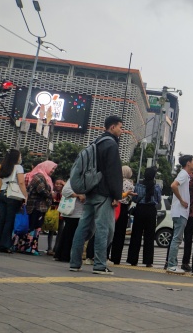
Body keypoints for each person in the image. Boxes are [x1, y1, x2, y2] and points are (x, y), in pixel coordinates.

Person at [69, 115, 124, 275]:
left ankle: (74, 262)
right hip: (103, 192)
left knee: (83, 227)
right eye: (120, 127)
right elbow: (113, 172)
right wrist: (116, 194)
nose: (122, 131)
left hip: (90, 190)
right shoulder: (111, 144)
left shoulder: (96, 142)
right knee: (103, 228)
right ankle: (99, 264)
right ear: (112, 127)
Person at [13, 160, 57, 255]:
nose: (53, 170)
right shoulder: (39, 176)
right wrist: (51, 194)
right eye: (52, 168)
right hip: (35, 206)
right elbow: (41, 190)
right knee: (33, 227)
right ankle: (28, 248)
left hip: (39, 207)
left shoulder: (45, 177)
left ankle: (29, 247)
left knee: (36, 227)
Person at [166, 154, 193, 274]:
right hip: (180, 212)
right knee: (177, 239)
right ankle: (172, 265)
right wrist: (181, 200)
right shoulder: (184, 174)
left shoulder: (186, 175)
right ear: (188, 163)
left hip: (180, 212)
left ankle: (173, 264)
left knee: (177, 238)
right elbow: (173, 185)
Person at [127, 167, 161, 267]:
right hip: (151, 210)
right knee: (149, 236)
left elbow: (135, 198)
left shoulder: (138, 185)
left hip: (140, 210)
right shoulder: (157, 187)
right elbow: (158, 200)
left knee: (136, 235)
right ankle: (148, 261)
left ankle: (133, 260)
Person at [0, 149, 28, 254]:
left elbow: (1, 182)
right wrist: (25, 195)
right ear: (16, 157)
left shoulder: (4, 167)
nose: (21, 158)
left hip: (2, 194)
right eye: (20, 156)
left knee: (1, 219)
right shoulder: (18, 167)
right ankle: (5, 244)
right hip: (13, 196)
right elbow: (21, 182)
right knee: (9, 220)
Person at [109, 166, 135, 264]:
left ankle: (106, 255)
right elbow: (131, 198)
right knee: (120, 235)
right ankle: (116, 257)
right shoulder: (130, 184)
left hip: (114, 207)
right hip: (124, 209)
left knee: (110, 231)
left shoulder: (116, 181)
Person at [55, 180, 85, 262]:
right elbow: (65, 191)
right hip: (74, 212)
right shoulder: (74, 180)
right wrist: (78, 195)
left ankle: (61, 254)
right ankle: (65, 255)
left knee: (67, 233)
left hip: (75, 211)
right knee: (70, 234)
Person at [180, 166, 193, 272]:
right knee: (188, 238)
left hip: (184, 210)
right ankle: (185, 263)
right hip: (190, 211)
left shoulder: (183, 176)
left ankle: (168, 261)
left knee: (177, 236)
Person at [47, 178, 65, 256]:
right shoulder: (52, 193)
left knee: (60, 231)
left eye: (60, 184)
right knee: (51, 230)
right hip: (53, 212)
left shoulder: (64, 193)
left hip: (61, 213)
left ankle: (56, 248)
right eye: (57, 183)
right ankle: (49, 248)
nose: (58, 185)